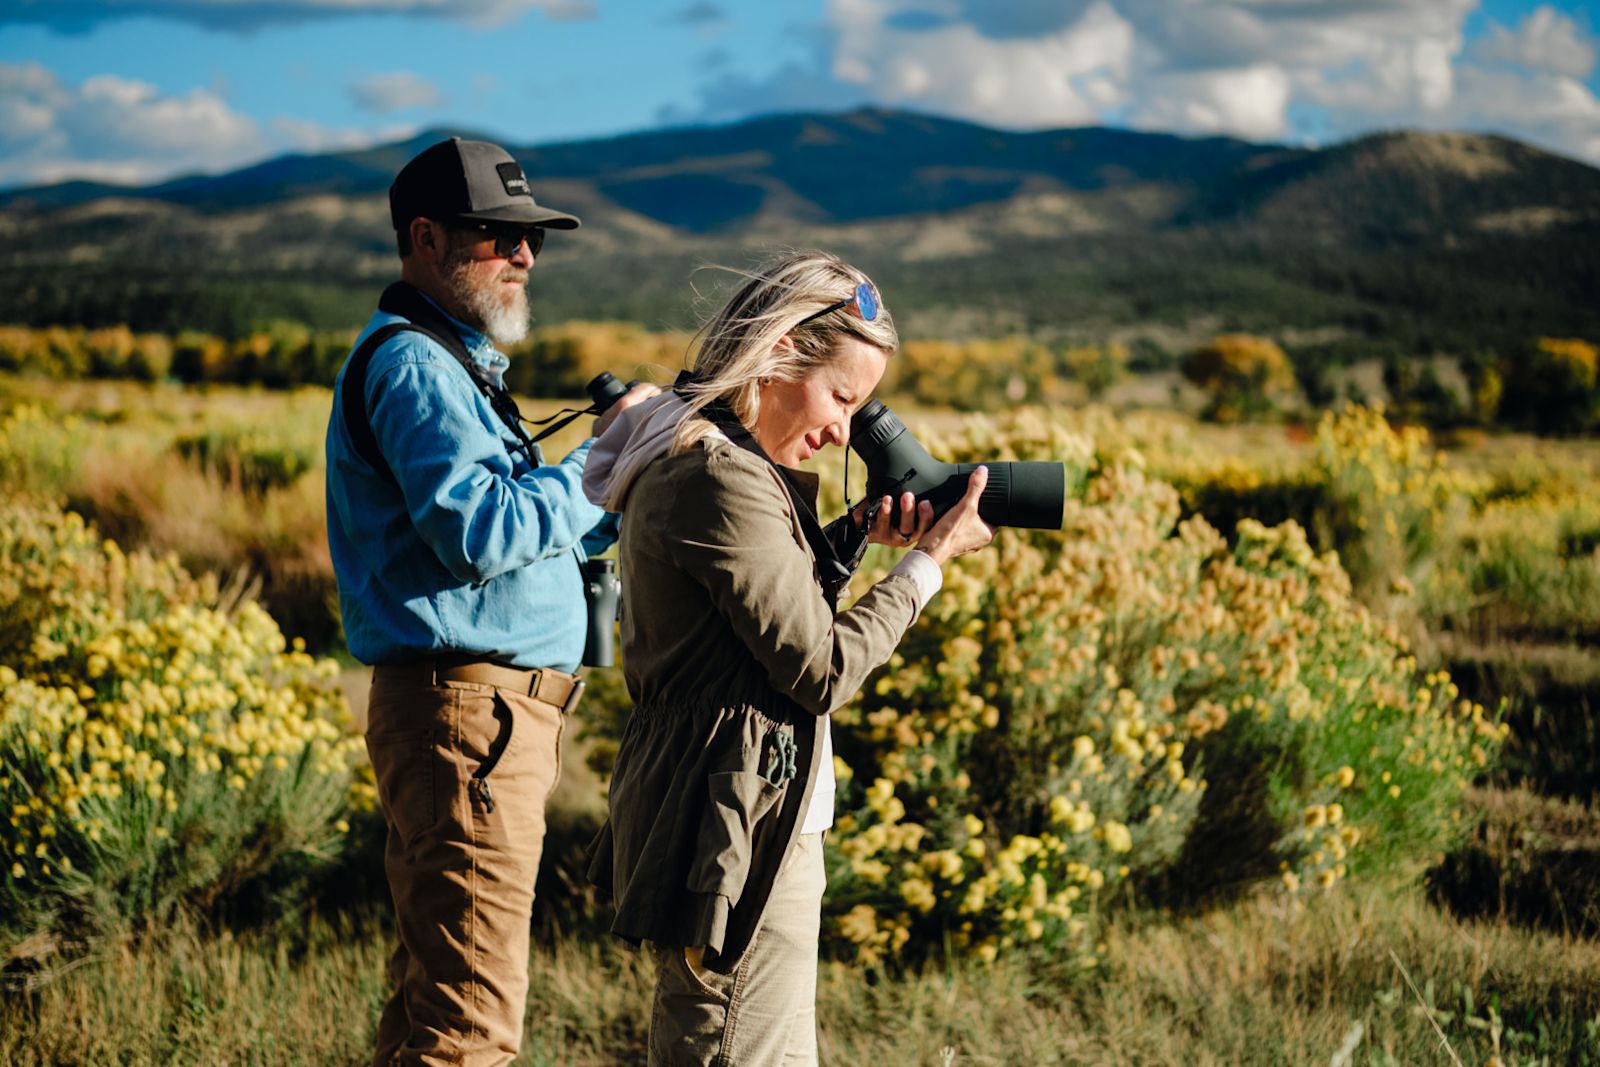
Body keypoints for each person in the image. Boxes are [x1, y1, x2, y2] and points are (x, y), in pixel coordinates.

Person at [582, 250, 995, 1065]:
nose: (844, 430)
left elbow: (752, 615)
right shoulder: (717, 474)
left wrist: (853, 534)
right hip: (737, 836)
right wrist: (927, 564)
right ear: (777, 351)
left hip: (739, 818)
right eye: (841, 397)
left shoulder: (706, 453)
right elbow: (821, 669)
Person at [324, 136, 655, 1067]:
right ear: (425, 239)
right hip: (469, 724)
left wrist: (630, 479)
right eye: (499, 235)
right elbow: (478, 531)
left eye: (532, 239)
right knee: (467, 1029)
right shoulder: (416, 367)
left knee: (434, 1009)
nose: (524, 255)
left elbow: (520, 542)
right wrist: (601, 462)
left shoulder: (448, 362)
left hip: (477, 723)